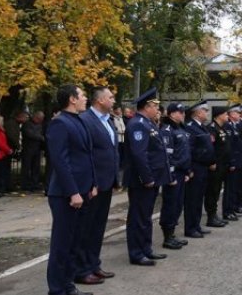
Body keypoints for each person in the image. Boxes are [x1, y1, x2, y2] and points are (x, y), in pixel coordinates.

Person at [45, 84, 96, 295]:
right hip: (66, 194)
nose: (86, 98)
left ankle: (68, 285)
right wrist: (73, 192)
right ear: (72, 99)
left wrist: (91, 184)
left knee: (74, 242)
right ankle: (57, 289)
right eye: (82, 95)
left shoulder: (78, 120)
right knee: (62, 245)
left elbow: (85, 156)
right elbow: (60, 161)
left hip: (82, 191)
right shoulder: (59, 123)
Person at [74, 87, 119, 285]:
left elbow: (111, 151)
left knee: (98, 227)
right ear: (100, 100)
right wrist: (92, 182)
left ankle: (93, 264)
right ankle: (81, 270)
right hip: (92, 185)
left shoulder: (108, 120)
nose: (113, 100)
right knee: (86, 228)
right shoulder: (86, 121)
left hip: (106, 183)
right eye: (110, 97)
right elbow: (86, 155)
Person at [123, 87, 170, 266]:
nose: (157, 110)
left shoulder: (148, 123)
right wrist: (147, 177)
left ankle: (146, 249)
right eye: (155, 106)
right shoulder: (137, 124)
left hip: (152, 178)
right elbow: (139, 155)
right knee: (138, 217)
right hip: (142, 180)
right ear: (147, 106)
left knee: (146, 216)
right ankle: (136, 253)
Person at [159, 102, 192, 249]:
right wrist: (170, 175)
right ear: (172, 114)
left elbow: (185, 152)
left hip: (181, 172)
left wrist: (186, 171)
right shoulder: (167, 129)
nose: (183, 114)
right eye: (180, 112)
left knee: (178, 204)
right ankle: (167, 237)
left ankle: (172, 235)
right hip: (172, 173)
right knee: (170, 205)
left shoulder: (181, 128)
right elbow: (167, 155)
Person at [183, 101, 214, 238]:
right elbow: (188, 150)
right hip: (196, 167)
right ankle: (190, 228)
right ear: (197, 112)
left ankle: (196, 225)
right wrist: (189, 169)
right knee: (192, 199)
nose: (207, 113)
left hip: (203, 167)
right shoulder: (191, 127)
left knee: (198, 198)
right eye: (205, 110)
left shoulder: (202, 127)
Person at [205, 106, 230, 227]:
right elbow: (210, 148)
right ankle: (211, 217)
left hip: (222, 165)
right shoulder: (211, 128)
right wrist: (211, 162)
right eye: (225, 114)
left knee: (216, 191)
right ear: (219, 115)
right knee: (212, 191)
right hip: (215, 166)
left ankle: (214, 215)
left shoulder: (221, 128)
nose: (227, 116)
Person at [21, 111, 46, 191]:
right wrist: (40, 137)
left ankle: (35, 183)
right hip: (28, 149)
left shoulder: (39, 125)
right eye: (39, 119)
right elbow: (29, 133)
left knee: (36, 167)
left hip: (37, 148)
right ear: (36, 117)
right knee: (26, 167)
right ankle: (25, 184)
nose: (40, 121)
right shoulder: (27, 124)